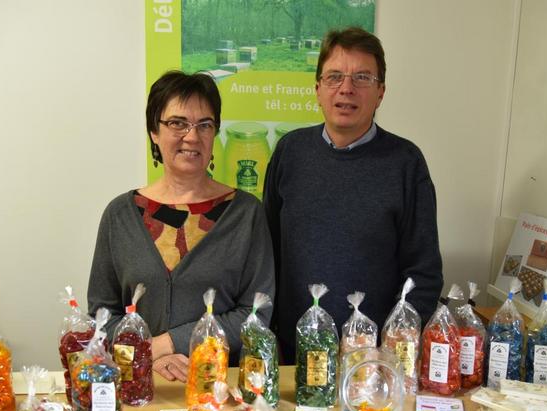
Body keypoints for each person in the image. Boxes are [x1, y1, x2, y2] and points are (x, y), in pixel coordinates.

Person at [263, 27, 443, 364]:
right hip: (292, 354)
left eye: (362, 77)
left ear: (381, 92)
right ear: (317, 89)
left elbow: (424, 272)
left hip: (372, 358)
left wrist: (394, 347)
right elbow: (267, 252)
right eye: (334, 76)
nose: (346, 88)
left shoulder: (406, 163)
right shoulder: (290, 152)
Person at [88, 70, 274, 381]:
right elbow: (102, 317)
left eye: (205, 125)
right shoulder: (119, 215)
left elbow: (255, 315)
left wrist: (168, 343)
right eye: (177, 123)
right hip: (138, 386)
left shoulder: (246, 214)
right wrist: (148, 357)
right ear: (154, 132)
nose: (192, 136)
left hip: (219, 390)